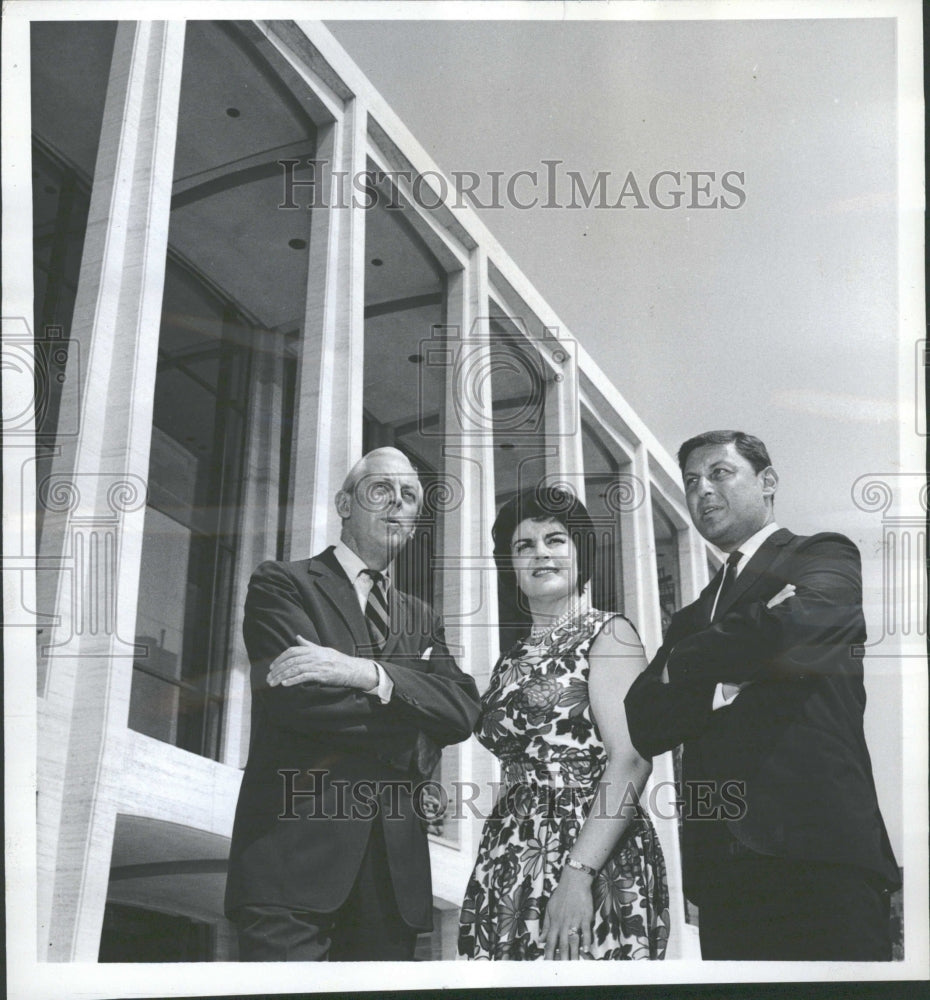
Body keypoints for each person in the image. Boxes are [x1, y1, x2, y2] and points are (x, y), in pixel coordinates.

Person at [624, 430, 900, 961]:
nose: (701, 490)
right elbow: (645, 719)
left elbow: (800, 630)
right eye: (690, 481)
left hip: (820, 857)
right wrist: (727, 679)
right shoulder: (689, 615)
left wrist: (682, 665)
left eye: (719, 473)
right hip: (724, 877)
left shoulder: (822, 554)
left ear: (767, 482)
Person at [225, 447, 480, 961]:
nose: (398, 504)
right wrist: (414, 730)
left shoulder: (421, 618)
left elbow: (462, 712)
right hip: (291, 866)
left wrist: (365, 673)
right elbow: (301, 701)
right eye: (380, 490)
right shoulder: (283, 583)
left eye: (409, 496)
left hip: (392, 880)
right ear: (345, 503)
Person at [458, 486, 670, 961]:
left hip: (589, 852)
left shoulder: (609, 633)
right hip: (510, 849)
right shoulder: (511, 657)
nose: (541, 554)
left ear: (580, 553)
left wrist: (577, 875)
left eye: (555, 540)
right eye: (524, 545)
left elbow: (632, 759)